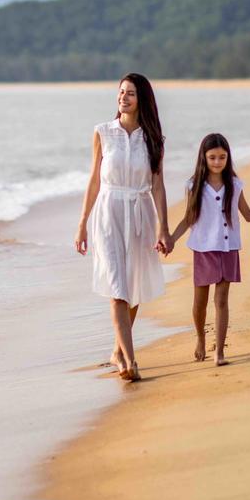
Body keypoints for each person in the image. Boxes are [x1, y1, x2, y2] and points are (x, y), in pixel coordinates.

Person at [75, 73, 172, 382]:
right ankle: (129, 360)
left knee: (135, 287)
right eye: (121, 92)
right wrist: (82, 224)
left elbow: (158, 186)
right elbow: (93, 181)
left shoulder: (154, 139)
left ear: (141, 98)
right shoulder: (103, 133)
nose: (123, 97)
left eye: (130, 93)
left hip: (141, 212)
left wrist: (164, 228)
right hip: (108, 213)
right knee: (118, 288)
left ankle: (118, 349)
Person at [163, 133, 250, 366]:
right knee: (200, 302)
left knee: (221, 300)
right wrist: (171, 239)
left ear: (228, 158)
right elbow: (189, 218)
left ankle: (219, 352)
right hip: (203, 249)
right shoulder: (193, 186)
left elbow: (248, 215)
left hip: (228, 248)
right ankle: (200, 338)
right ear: (203, 158)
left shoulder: (235, 185)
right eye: (212, 157)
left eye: (222, 157)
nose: (217, 162)